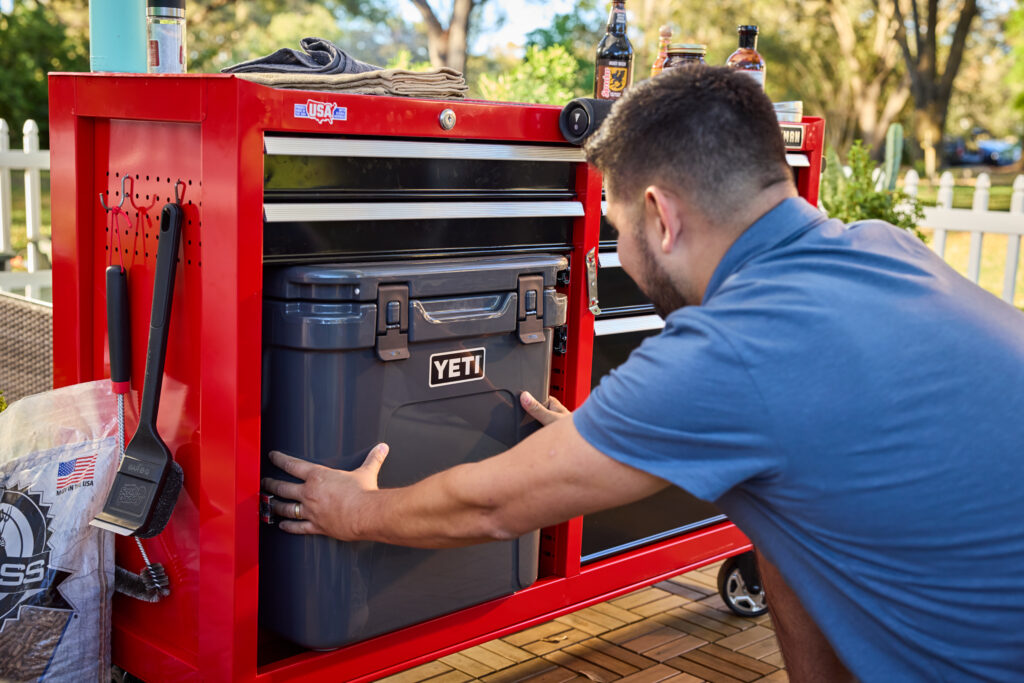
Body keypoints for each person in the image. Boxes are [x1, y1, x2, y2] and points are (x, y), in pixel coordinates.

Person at [262, 66, 1024, 681]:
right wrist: (605, 442)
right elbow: (814, 437)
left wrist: (353, 512)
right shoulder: (884, 248)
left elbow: (492, 507)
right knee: (776, 517)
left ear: (661, 215)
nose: (621, 254)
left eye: (619, 229)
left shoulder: (735, 346)